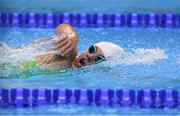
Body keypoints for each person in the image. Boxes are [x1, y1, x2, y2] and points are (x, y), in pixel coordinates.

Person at [35, 23, 123, 69]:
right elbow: (62, 27)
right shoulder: (69, 55)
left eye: (98, 58)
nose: (90, 56)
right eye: (92, 49)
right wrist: (71, 36)